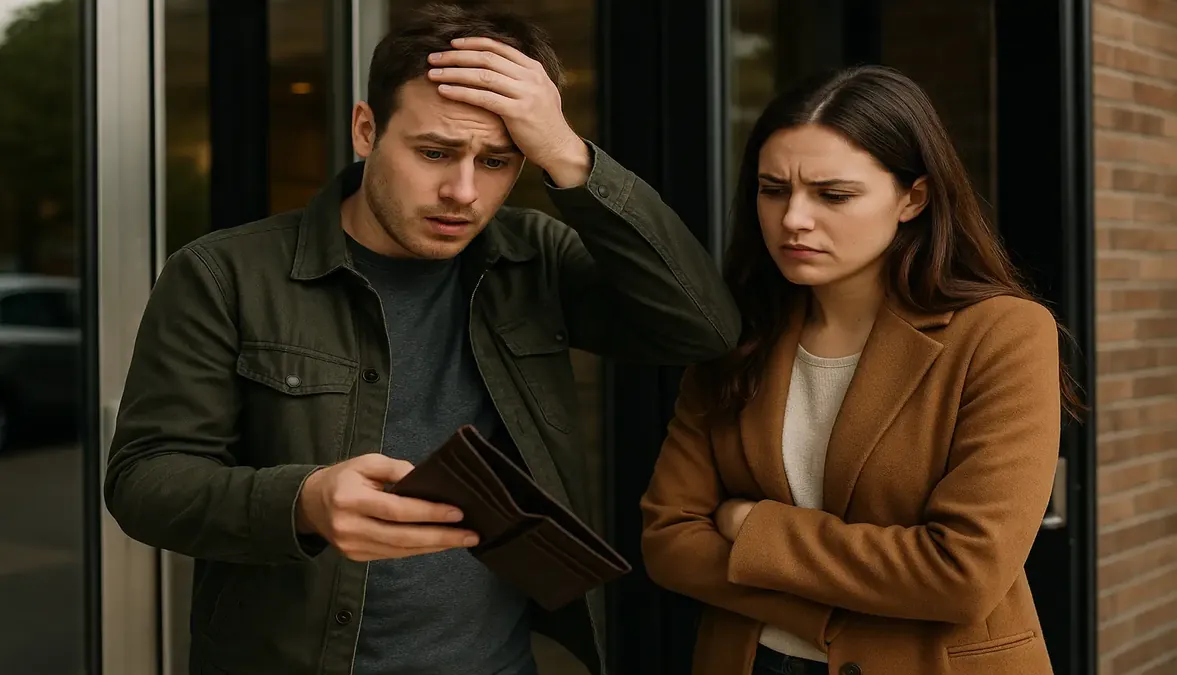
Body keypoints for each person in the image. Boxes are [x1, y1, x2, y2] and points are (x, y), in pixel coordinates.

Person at [103, 4, 739, 675]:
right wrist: (304, 501)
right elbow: (145, 480)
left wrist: (568, 154)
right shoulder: (223, 274)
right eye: (434, 152)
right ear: (365, 129)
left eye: (497, 161)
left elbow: (700, 326)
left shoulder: (535, 259)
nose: (462, 191)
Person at [640, 65, 1080, 675]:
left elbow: (962, 574)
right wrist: (836, 608)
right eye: (773, 189)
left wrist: (750, 525)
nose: (794, 218)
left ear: (912, 198)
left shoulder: (1001, 334)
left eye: (832, 194)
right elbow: (669, 543)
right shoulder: (737, 334)